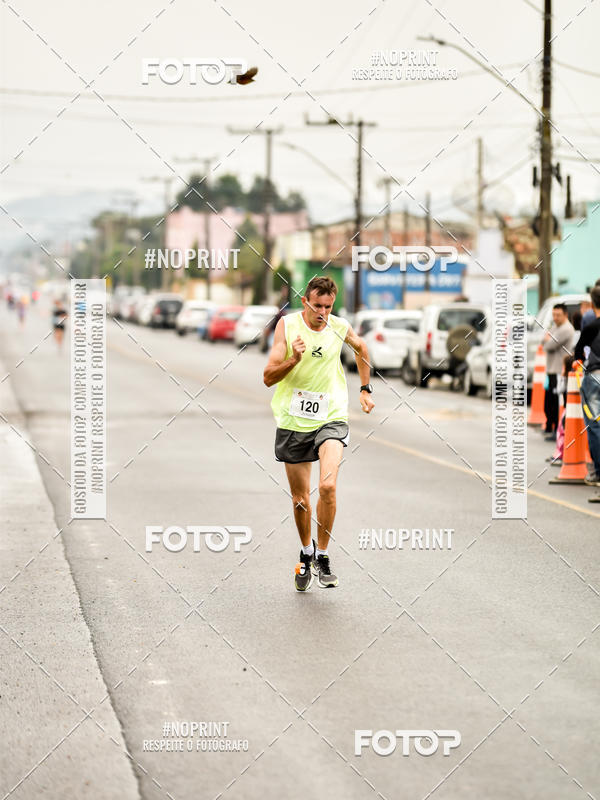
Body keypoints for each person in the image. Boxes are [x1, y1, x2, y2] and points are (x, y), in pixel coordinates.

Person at [263, 276, 374, 591]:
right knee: (300, 499)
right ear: (305, 303)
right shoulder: (287, 327)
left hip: (332, 416)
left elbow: (361, 347)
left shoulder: (339, 327)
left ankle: (323, 555)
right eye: (317, 306)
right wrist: (294, 359)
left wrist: (365, 389)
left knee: (327, 486)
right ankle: (306, 550)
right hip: (293, 420)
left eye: (328, 306)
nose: (322, 313)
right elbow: (268, 377)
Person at [574, 285, 600, 498]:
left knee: (595, 425)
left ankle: (598, 473)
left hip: (595, 377)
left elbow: (577, 353)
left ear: (593, 305)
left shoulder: (591, 326)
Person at [542, 303, 575, 441]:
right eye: (553, 315)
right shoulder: (556, 327)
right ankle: (551, 426)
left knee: (555, 403)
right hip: (551, 369)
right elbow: (543, 341)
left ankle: (556, 430)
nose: (555, 318)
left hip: (558, 371)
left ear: (565, 315)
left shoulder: (566, 329)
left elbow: (549, 344)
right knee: (549, 402)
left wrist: (547, 339)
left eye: (558, 315)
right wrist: (546, 339)